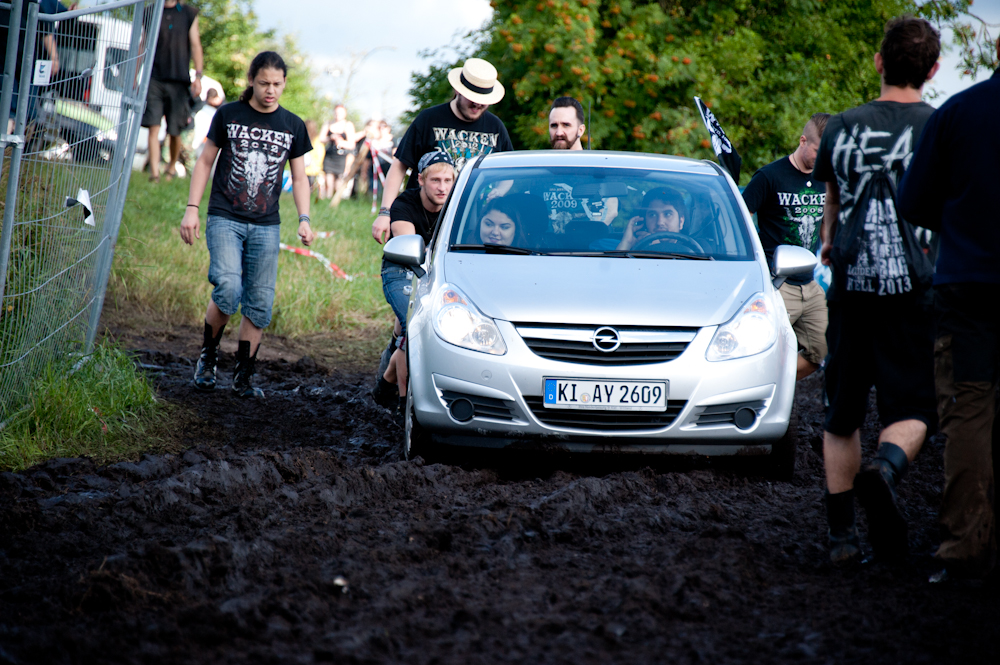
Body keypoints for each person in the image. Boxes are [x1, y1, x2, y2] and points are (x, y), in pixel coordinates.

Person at [811, 16, 940, 564]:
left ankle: (841, 540)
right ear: (933, 70)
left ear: (878, 60)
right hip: (913, 292)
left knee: (841, 415)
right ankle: (885, 470)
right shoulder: (939, 125)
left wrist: (827, 247)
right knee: (914, 408)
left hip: (851, 289)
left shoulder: (840, 125)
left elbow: (832, 204)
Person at [897, 37, 1000, 582]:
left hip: (969, 287)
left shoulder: (959, 111)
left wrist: (962, 224)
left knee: (969, 411)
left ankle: (964, 545)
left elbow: (912, 201)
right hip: (968, 286)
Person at [179, 51, 314, 398]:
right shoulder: (229, 114)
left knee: (260, 303)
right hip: (225, 217)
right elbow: (205, 161)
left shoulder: (293, 125)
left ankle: (243, 377)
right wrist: (191, 209)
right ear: (252, 81)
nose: (271, 90)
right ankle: (208, 357)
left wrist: (304, 218)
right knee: (227, 289)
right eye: (264, 83)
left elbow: (300, 179)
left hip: (267, 224)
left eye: (277, 84)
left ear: (284, 84)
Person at [371, 58, 513, 244]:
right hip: (423, 217)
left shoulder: (495, 127)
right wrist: (385, 212)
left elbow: (508, 174)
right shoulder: (429, 119)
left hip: (470, 222)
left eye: (483, 101)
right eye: (473, 99)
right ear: (458, 91)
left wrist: (499, 192)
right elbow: (399, 166)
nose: (478, 105)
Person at [742, 113, 830, 380]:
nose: (824, 157)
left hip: (810, 283)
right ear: (803, 141)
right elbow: (738, 220)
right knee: (759, 350)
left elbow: (824, 220)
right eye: (818, 150)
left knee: (821, 351)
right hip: (777, 284)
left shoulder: (826, 178)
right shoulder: (770, 177)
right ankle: (757, 395)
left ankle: (772, 386)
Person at [371, 150, 457, 415]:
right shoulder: (404, 203)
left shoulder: (458, 204)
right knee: (418, 328)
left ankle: (386, 381)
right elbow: (411, 252)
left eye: (448, 181)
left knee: (407, 334)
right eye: (436, 181)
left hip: (441, 271)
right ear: (421, 179)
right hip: (403, 267)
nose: (443, 188)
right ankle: (406, 406)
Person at [141, 0, 203, 182]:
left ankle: (170, 169)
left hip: (179, 80)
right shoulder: (151, 12)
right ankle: (154, 175)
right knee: (153, 126)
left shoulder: (188, 13)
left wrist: (198, 76)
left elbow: (196, 44)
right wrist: (135, 75)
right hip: (154, 78)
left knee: (175, 130)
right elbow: (143, 43)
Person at [540, 96, 618, 232]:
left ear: (580, 130)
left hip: (589, 251)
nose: (559, 132)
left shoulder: (598, 172)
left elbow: (609, 212)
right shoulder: (538, 173)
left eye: (566, 125)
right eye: (554, 126)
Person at [616, 188, 686, 251]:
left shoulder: (693, 253)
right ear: (644, 220)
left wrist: (657, 249)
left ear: (681, 221)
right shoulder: (638, 248)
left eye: (667, 214)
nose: (660, 222)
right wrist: (627, 243)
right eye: (653, 215)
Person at [322, 104, 356, 198]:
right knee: (328, 180)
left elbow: (352, 144)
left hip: (342, 156)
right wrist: (330, 138)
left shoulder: (348, 125)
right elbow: (321, 138)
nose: (338, 114)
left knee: (339, 182)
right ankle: (327, 199)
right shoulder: (328, 123)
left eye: (340, 112)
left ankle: (336, 201)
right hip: (329, 155)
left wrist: (341, 142)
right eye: (336, 112)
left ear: (345, 113)